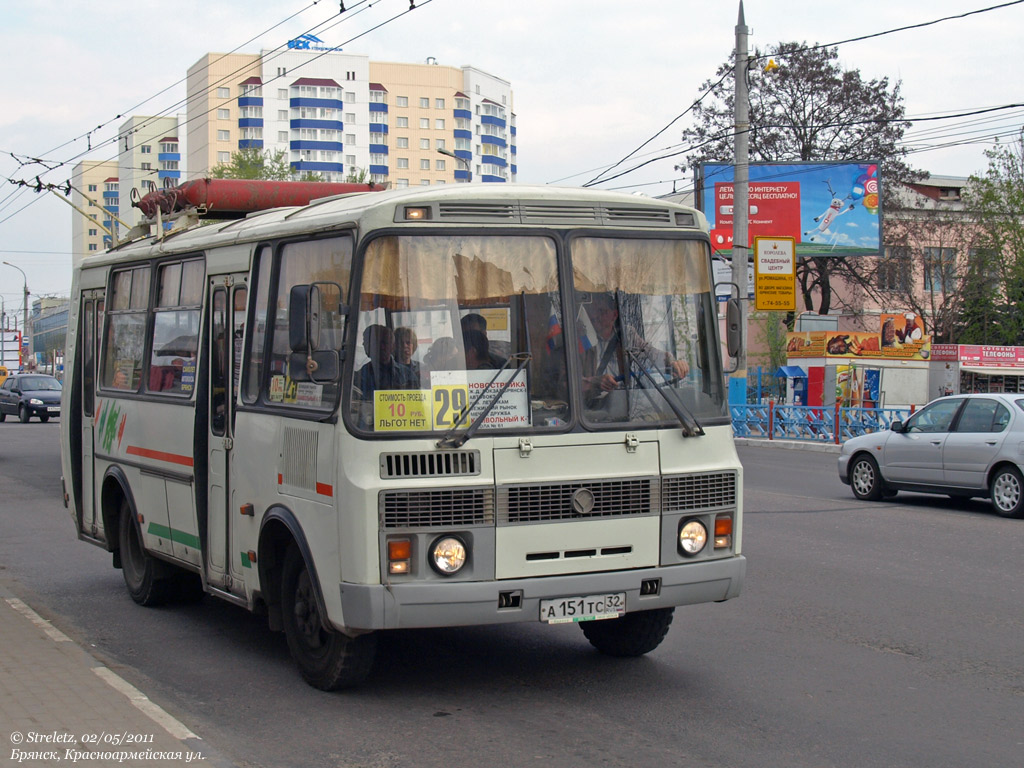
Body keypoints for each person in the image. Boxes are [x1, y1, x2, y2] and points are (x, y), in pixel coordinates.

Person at [581, 293, 689, 399]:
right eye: (593, 312)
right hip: (591, 407)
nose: (595, 316)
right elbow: (568, 383)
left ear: (614, 315)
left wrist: (672, 362)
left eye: (602, 311)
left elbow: (651, 354)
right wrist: (595, 382)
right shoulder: (581, 339)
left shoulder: (626, 335)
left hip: (623, 402)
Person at [357, 324, 416, 398]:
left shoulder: (407, 375)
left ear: (392, 346)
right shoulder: (360, 376)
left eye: (385, 343)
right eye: (366, 342)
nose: (364, 344)